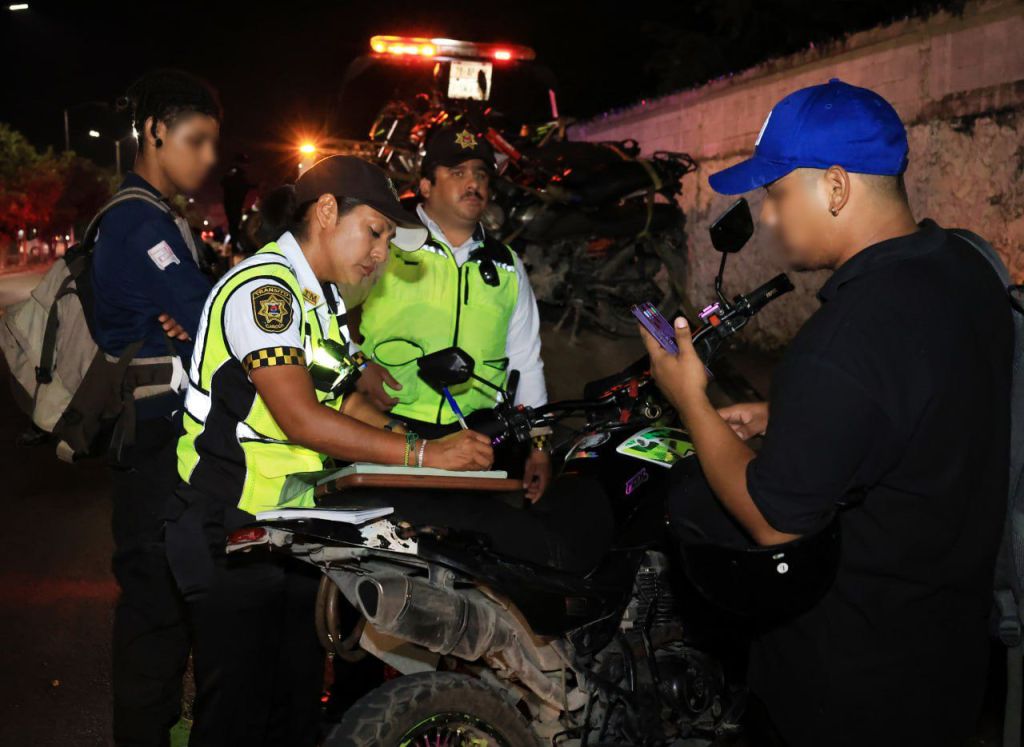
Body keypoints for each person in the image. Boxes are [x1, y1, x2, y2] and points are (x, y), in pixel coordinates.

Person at [642, 79, 1012, 746]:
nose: (771, 216)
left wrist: (690, 397)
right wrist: (787, 413)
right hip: (946, 663)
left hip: (848, 690)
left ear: (836, 187)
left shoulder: (848, 337)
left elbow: (775, 519)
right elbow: (913, 411)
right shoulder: (964, 270)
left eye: (779, 193)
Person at [164, 155, 494, 747]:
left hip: (290, 529)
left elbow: (345, 405)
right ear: (324, 212)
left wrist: (438, 444)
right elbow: (300, 417)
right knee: (236, 717)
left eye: (390, 240)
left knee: (292, 711)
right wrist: (423, 456)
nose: (381, 254)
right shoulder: (266, 290)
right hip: (228, 527)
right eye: (375, 231)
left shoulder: (325, 304)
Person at [90, 68, 221, 747]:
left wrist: (187, 314)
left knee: (167, 608)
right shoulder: (141, 223)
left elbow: (192, 315)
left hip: (159, 442)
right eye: (195, 140)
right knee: (154, 612)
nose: (208, 158)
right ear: (155, 131)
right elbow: (208, 317)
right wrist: (191, 313)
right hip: (151, 449)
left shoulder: (159, 220)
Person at [354, 126, 553, 501]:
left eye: (480, 173)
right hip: (391, 430)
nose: (473, 183)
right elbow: (322, 316)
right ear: (426, 185)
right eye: (457, 173)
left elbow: (526, 360)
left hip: (475, 439)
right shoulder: (387, 242)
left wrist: (539, 448)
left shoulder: (506, 265)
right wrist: (359, 366)